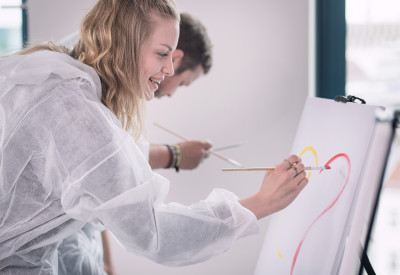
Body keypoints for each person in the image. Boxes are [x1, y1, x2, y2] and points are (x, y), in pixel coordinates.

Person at [0, 1, 308, 275]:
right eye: (162, 53)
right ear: (124, 45)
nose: (169, 69)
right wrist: (257, 204)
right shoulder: (77, 114)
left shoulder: (56, 76)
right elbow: (154, 232)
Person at [57, 12, 214, 275]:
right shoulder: (86, 85)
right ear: (172, 57)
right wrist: (175, 155)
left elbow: (100, 180)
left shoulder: (98, 66)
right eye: (183, 83)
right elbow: (106, 166)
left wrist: (107, 261)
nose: (173, 90)